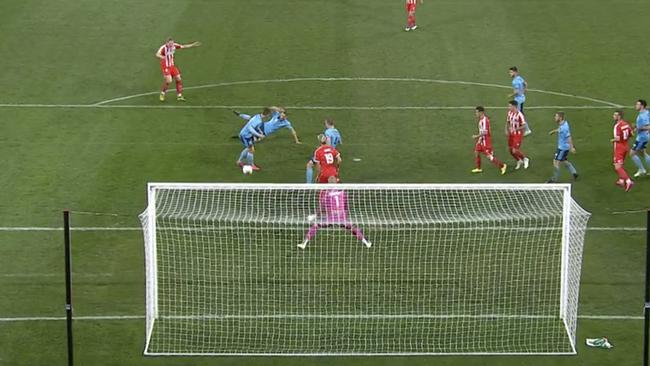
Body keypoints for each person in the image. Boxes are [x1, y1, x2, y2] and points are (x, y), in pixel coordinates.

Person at [298, 176, 372, 250]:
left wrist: (315, 215)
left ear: (328, 183)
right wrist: (345, 216)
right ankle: (366, 242)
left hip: (330, 219)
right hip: (342, 218)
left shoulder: (326, 193)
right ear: (336, 182)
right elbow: (346, 205)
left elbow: (322, 207)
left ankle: (304, 243)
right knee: (353, 228)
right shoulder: (342, 193)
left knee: (315, 225)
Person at [233, 108, 301, 143]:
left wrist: (296, 140)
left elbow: (293, 131)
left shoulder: (286, 123)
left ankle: (241, 136)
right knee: (252, 121)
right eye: (282, 114)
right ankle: (240, 115)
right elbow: (271, 108)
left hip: (265, 132)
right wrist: (278, 109)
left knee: (254, 139)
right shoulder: (276, 114)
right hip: (261, 126)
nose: (282, 116)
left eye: (284, 116)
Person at [471, 106, 507, 174]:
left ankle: (502, 166)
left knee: (489, 157)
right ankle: (478, 168)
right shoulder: (481, 120)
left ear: (481, 112)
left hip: (486, 142)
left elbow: (485, 132)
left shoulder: (485, 120)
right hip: (481, 140)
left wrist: (476, 136)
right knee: (476, 152)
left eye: (476, 112)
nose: (476, 113)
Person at [547, 112, 578, 183]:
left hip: (563, 148)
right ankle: (574, 173)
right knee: (564, 161)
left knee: (556, 162)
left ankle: (554, 179)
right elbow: (560, 129)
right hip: (563, 147)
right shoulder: (563, 124)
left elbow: (569, 137)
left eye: (556, 116)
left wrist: (572, 147)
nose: (555, 118)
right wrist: (554, 131)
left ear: (560, 118)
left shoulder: (564, 127)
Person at [611, 110, 634, 191]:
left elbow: (617, 138)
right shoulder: (626, 124)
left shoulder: (617, 126)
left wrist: (613, 140)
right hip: (625, 146)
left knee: (617, 166)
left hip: (619, 147)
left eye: (615, 115)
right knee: (620, 164)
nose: (613, 116)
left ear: (619, 116)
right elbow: (631, 134)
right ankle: (621, 180)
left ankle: (628, 181)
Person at [505, 101, 530, 170]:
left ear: (514, 106)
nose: (508, 107)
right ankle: (519, 160)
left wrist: (516, 129)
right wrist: (506, 129)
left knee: (514, 150)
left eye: (510, 106)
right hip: (511, 134)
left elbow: (524, 126)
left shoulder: (520, 115)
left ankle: (525, 159)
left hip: (518, 134)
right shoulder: (509, 113)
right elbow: (507, 121)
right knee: (510, 150)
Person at [508, 66, 531, 135]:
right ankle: (523, 128)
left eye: (511, 72)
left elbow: (516, 91)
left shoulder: (514, 81)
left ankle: (527, 130)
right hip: (522, 98)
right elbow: (525, 84)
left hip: (518, 100)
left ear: (515, 72)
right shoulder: (519, 77)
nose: (510, 74)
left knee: (519, 114)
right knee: (520, 112)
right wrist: (524, 90)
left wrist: (510, 95)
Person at [631, 99, 650, 177]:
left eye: (637, 104)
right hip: (643, 136)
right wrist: (637, 127)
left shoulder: (644, 115)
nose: (636, 105)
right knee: (643, 153)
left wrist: (638, 128)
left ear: (642, 106)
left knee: (632, 153)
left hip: (642, 137)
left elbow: (649, 126)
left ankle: (642, 169)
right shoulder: (645, 112)